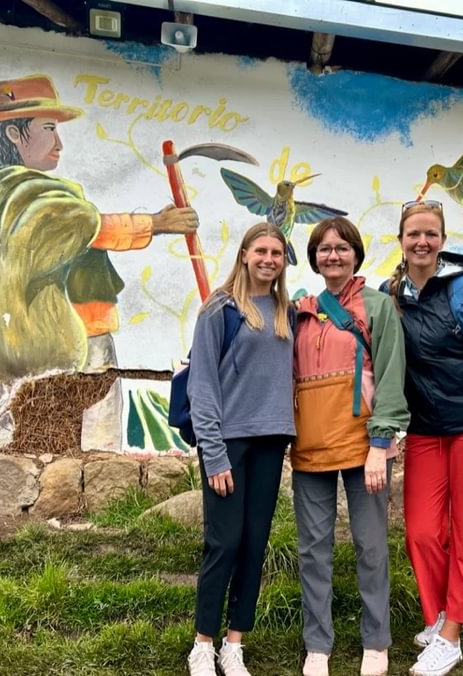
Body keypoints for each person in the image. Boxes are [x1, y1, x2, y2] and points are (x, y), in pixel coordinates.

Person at [0, 75, 198, 411]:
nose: (59, 143)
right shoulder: (21, 192)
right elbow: (81, 225)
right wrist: (156, 223)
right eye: (49, 128)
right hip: (50, 351)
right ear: (13, 133)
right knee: (91, 438)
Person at [383, 200, 463, 676]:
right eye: (413, 233)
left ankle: (452, 635)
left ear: (442, 239)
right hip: (424, 431)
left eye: (430, 234)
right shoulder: (391, 294)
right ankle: (438, 613)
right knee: (421, 531)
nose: (422, 241)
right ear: (400, 240)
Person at [292, 216, 409, 676]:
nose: (333, 255)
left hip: (366, 450)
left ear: (356, 254)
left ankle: (376, 642)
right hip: (310, 448)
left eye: (342, 247)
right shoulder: (301, 309)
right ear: (315, 257)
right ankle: (317, 644)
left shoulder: (378, 307)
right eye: (324, 248)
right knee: (312, 548)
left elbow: (392, 377)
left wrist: (380, 444)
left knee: (371, 546)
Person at [186, 222, 296, 676]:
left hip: (272, 440)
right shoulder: (221, 308)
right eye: (262, 251)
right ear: (245, 255)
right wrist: (213, 453)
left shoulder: (290, 311)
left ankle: (235, 644)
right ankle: (202, 643)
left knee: (254, 543)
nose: (269, 259)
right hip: (228, 441)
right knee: (224, 542)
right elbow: (203, 384)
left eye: (277, 252)